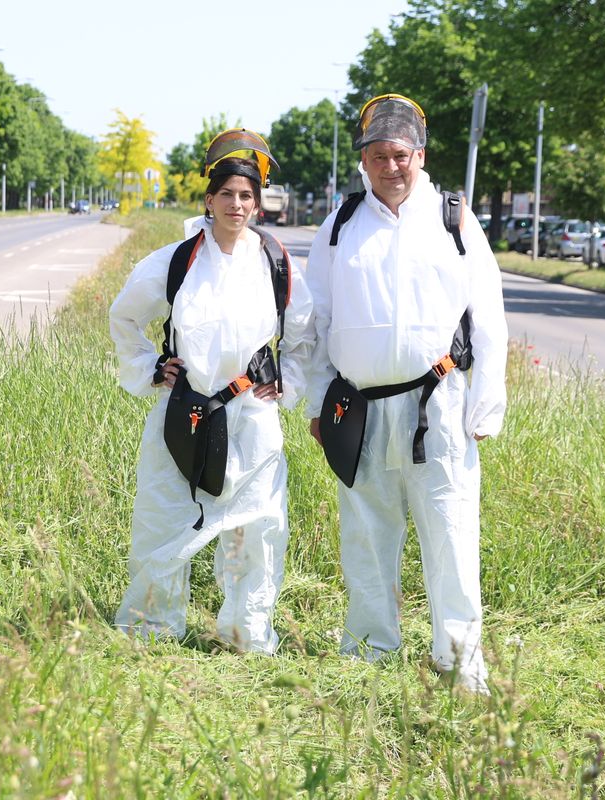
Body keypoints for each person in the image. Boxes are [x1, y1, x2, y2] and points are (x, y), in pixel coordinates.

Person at [305, 94, 508, 691]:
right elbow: (314, 321)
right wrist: (319, 401)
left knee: (450, 531)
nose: (392, 166)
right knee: (366, 534)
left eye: (402, 154)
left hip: (439, 406)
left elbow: (489, 312)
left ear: (419, 154)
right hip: (360, 407)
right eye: (378, 156)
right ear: (363, 162)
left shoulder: (453, 218)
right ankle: (370, 650)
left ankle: (459, 660)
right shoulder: (341, 225)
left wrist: (485, 401)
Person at [109, 129, 313, 653]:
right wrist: (153, 366)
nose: (237, 205)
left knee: (257, 532)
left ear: (258, 203)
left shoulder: (275, 262)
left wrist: (286, 380)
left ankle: (246, 633)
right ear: (209, 199)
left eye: (247, 196)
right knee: (164, 519)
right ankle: (149, 628)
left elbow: (305, 330)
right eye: (227, 194)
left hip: (251, 417)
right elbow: (125, 317)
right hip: (186, 412)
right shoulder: (176, 261)